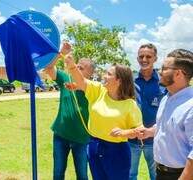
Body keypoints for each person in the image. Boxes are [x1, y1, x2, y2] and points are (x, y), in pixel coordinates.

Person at [65, 53, 143, 180]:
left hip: (117, 151)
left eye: (109, 74)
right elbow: (81, 81)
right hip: (94, 145)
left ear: (119, 81)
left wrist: (124, 132)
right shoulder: (98, 90)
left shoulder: (130, 105)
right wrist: (72, 66)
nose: (104, 76)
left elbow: (140, 131)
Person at [138, 49, 193, 180]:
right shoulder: (167, 97)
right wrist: (149, 132)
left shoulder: (190, 105)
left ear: (178, 73)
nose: (159, 72)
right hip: (161, 172)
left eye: (164, 68)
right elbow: (165, 125)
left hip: (181, 174)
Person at [44, 42, 94, 180]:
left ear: (90, 73)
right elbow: (48, 68)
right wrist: (61, 53)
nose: (76, 69)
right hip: (61, 135)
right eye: (77, 66)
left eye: (81, 68)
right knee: (58, 174)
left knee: (82, 175)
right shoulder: (66, 78)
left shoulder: (93, 88)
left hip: (82, 139)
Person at [129, 43, 166, 180]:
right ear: (137, 59)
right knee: (130, 175)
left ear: (155, 58)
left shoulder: (163, 81)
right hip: (132, 139)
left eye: (148, 56)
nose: (144, 59)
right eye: (141, 56)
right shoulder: (129, 80)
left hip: (155, 140)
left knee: (156, 176)